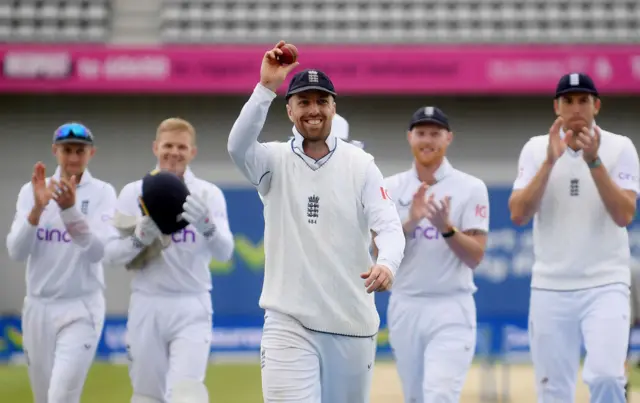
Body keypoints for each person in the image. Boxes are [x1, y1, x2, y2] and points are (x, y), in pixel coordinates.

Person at [227, 41, 405, 403]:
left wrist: (386, 263)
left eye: (321, 101)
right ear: (289, 109)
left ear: (333, 108)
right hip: (287, 321)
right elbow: (236, 146)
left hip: (351, 323)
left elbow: (388, 226)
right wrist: (265, 88)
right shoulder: (272, 161)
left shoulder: (361, 164)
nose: (313, 110)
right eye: (304, 102)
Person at [509, 72, 640, 403]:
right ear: (557, 106)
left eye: (584, 100)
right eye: (568, 100)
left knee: (608, 377)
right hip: (550, 287)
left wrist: (594, 161)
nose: (576, 107)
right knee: (553, 392)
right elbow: (518, 214)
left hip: (606, 283)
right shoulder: (536, 148)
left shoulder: (620, 147)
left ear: (597, 105)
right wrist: (550, 162)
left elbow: (624, 214)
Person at [103, 118, 235, 403]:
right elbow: (110, 255)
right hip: (147, 302)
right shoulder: (133, 192)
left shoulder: (208, 194)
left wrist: (207, 226)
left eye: (182, 147)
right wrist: (138, 239)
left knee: (187, 393)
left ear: (192, 152)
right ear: (155, 147)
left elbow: (225, 251)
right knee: (147, 395)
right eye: (168, 146)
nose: (174, 152)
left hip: (193, 303)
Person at [378, 107, 489, 402]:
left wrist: (447, 229)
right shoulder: (390, 187)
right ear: (409, 137)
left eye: (435, 133)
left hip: (451, 305)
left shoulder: (471, 187)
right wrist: (411, 222)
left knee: (439, 396)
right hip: (405, 304)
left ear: (448, 137)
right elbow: (378, 251)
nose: (427, 140)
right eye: (421, 132)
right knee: (415, 398)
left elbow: (475, 256)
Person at [5, 123, 117, 403]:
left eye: (80, 150)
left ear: (92, 153)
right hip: (38, 308)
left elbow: (96, 251)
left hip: (81, 307)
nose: (74, 158)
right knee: (43, 399)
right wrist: (37, 210)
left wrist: (69, 211)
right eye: (67, 150)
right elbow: (16, 252)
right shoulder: (32, 192)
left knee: (61, 397)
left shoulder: (103, 193)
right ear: (55, 151)